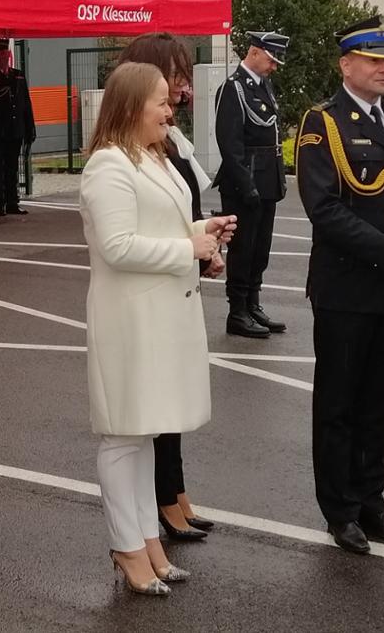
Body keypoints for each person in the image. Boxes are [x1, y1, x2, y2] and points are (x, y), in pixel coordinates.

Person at [80, 62, 237, 596]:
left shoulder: (154, 157)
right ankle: (127, 545)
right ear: (131, 107)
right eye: (162, 103)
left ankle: (148, 538)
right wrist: (187, 248)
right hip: (130, 321)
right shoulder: (108, 164)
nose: (172, 111)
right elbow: (117, 246)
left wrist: (202, 231)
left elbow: (161, 228)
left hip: (160, 315)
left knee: (144, 435)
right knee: (124, 438)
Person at [295, 16, 384, 555]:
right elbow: (322, 208)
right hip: (347, 287)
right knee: (340, 403)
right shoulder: (322, 122)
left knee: (380, 403)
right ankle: (340, 509)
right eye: (374, 59)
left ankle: (372, 500)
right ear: (346, 65)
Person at [116, 32, 228, 542]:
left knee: (174, 406)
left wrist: (209, 245)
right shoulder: (132, 149)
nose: (181, 89)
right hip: (153, 290)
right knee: (155, 412)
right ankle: (163, 501)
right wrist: (191, 248)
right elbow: (126, 239)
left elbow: (188, 207)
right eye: (173, 77)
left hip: (180, 277)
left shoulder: (169, 138)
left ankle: (175, 493)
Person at [213, 30, 290, 338]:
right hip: (243, 182)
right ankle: (237, 311)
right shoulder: (233, 88)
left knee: (261, 249)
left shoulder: (263, 85)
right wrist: (247, 184)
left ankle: (253, 304)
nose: (273, 66)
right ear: (255, 52)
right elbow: (229, 143)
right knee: (243, 249)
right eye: (271, 59)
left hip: (266, 178)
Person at [0, 38, 36, 216]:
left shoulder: (17, 75)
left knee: (12, 168)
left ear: (8, 55)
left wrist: (29, 128)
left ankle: (12, 201)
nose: (1, 57)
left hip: (14, 129)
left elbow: (25, 103)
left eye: (4, 54)